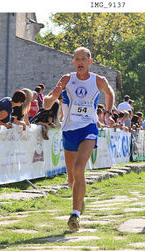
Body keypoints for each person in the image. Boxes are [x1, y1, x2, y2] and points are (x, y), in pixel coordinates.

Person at [43, 47, 115, 231]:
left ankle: (75, 213)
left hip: (89, 128)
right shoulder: (67, 79)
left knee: (79, 168)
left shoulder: (98, 80)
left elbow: (109, 93)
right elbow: (46, 104)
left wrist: (107, 113)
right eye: (77, 58)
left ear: (90, 62)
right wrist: (55, 95)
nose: (80, 61)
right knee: (71, 178)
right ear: (73, 62)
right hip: (69, 129)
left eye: (84, 58)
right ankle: (79, 200)